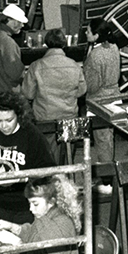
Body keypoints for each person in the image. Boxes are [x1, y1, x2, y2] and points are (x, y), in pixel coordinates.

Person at [0, 92, 54, 223]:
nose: (4, 126)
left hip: (25, 206)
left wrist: (25, 177)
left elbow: (48, 170)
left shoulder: (32, 135)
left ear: (19, 116)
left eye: (9, 120)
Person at [22, 29, 87, 160]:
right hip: (70, 116)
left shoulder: (36, 66)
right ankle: (69, 178)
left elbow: (28, 94)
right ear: (64, 44)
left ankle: (51, 179)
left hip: (45, 117)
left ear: (46, 44)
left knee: (48, 156)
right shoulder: (74, 65)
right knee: (69, 157)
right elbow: (82, 90)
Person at [84, 17, 121, 195]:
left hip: (99, 100)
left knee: (102, 140)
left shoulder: (94, 55)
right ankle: (108, 173)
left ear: (96, 35)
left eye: (88, 31)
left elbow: (92, 85)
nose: (85, 33)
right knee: (108, 137)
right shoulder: (113, 48)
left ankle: (107, 181)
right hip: (115, 96)